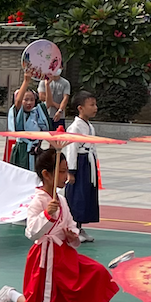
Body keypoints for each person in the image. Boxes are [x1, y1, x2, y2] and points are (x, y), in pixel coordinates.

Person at [0, 147, 116, 302]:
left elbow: (71, 223)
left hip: (63, 254)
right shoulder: (38, 201)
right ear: (47, 174)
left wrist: (72, 234)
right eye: (62, 171)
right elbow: (31, 232)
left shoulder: (62, 200)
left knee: (95, 272)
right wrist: (47, 215)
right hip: (44, 256)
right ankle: (10, 294)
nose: (66, 176)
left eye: (66, 171)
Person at [62, 91, 101, 235]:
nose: (95, 108)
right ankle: (73, 227)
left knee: (86, 195)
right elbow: (71, 149)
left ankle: (79, 226)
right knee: (77, 196)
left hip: (88, 163)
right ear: (80, 108)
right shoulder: (75, 127)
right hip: (80, 163)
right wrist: (71, 171)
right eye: (91, 105)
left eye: (95, 104)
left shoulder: (89, 126)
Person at [6, 73, 47, 173]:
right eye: (26, 99)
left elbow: (42, 128)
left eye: (32, 100)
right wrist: (26, 81)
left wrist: (47, 85)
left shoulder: (37, 112)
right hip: (22, 149)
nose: (29, 103)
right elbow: (18, 102)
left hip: (35, 149)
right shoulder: (18, 112)